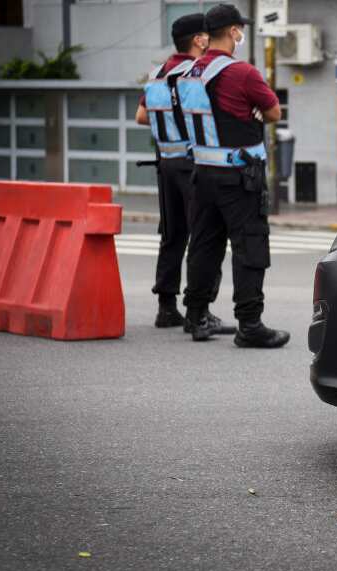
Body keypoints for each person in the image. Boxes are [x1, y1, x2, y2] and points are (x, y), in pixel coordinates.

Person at [176, 3, 289, 348]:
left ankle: (197, 317)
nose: (242, 34)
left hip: (203, 174)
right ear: (234, 32)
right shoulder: (243, 73)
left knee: (203, 246)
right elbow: (273, 111)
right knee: (249, 245)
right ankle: (250, 324)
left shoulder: (190, 72)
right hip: (239, 177)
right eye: (240, 29)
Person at [134, 13, 235, 337]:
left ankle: (166, 307)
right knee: (206, 237)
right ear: (199, 40)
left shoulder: (156, 74)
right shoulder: (190, 74)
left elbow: (141, 117)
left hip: (166, 163)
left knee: (172, 234)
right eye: (205, 36)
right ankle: (200, 310)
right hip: (194, 163)